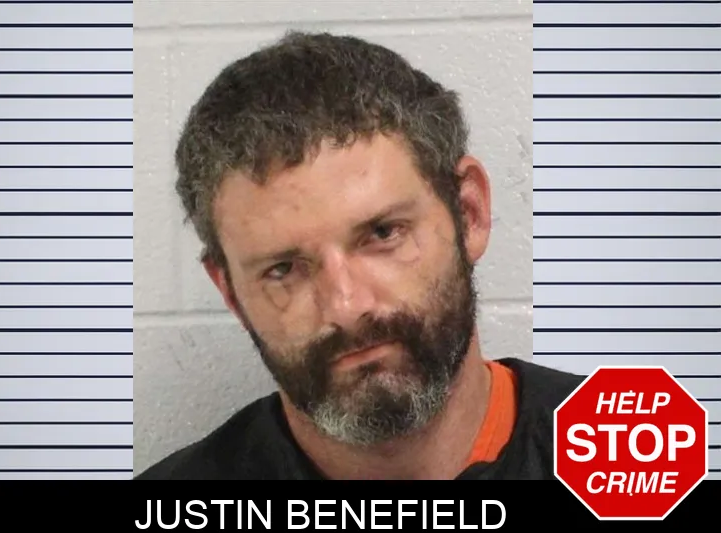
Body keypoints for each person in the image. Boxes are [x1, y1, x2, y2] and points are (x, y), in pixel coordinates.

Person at [136, 31, 583, 481]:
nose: (346, 306)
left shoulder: (622, 461)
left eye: (383, 233)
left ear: (469, 214)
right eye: (283, 269)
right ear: (231, 292)